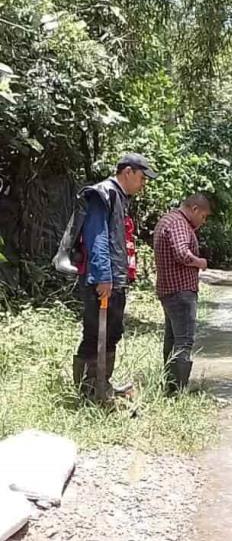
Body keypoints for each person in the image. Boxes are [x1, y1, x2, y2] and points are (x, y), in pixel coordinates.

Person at [71, 153, 157, 399]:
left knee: (112, 332)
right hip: (102, 280)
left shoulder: (119, 197)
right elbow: (96, 238)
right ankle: (89, 391)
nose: (143, 184)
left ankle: (103, 384)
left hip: (115, 279)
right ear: (127, 172)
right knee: (95, 333)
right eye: (142, 177)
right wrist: (103, 277)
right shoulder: (103, 194)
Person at [153, 193, 212, 394]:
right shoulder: (179, 223)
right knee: (184, 341)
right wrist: (200, 262)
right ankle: (178, 389)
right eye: (203, 216)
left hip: (168, 290)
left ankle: (170, 385)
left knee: (172, 339)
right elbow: (181, 253)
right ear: (194, 209)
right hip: (181, 291)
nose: (203, 222)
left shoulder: (167, 219)